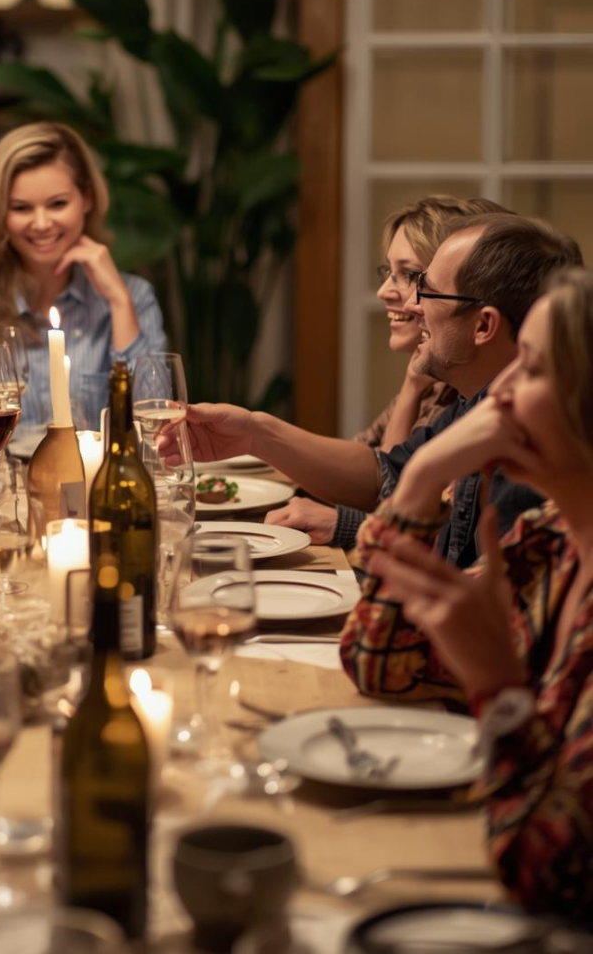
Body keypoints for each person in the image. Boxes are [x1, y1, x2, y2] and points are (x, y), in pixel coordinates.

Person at [342, 268, 593, 919]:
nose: (500, 392)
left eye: (530, 369)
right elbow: (378, 661)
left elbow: (557, 879)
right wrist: (422, 476)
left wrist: (502, 693)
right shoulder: (551, 544)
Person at [176, 215, 582, 568]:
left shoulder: (529, 456)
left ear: (483, 326)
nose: (412, 304)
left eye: (426, 287)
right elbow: (384, 474)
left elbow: (461, 619)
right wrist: (254, 433)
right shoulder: (472, 405)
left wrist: (411, 485)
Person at [267, 195, 503, 545]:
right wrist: (254, 432)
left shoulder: (478, 396)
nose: (387, 293)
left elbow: (390, 502)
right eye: (388, 272)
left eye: (410, 276)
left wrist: (345, 524)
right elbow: (379, 467)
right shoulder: (444, 386)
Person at [0, 122, 167, 430]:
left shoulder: (134, 296)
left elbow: (156, 425)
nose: (41, 224)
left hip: (98, 477)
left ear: (86, 199)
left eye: (57, 204)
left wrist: (119, 301)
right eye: (21, 208)